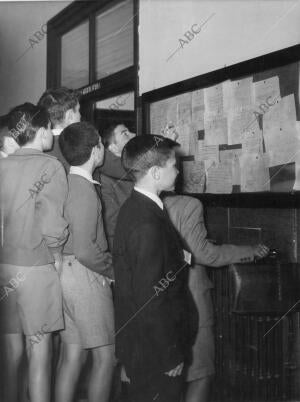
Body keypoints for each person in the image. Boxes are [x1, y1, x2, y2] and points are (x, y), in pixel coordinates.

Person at [113, 135, 196, 402]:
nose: (178, 170)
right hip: (154, 351)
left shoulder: (138, 209)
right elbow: (150, 297)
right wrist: (168, 353)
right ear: (156, 172)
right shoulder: (146, 222)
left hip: (145, 346)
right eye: (173, 165)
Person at [163, 194, 270, 402]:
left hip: (160, 300)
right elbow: (204, 254)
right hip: (191, 299)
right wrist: (251, 251)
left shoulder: (141, 200)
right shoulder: (189, 204)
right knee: (200, 374)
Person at [0, 103, 68, 402]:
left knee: (10, 355)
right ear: (41, 133)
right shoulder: (50, 165)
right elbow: (53, 226)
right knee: (39, 356)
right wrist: (57, 254)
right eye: (50, 129)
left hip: (4, 267)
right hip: (35, 269)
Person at [55, 121, 115, 402]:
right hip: (85, 275)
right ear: (95, 151)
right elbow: (85, 251)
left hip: (66, 273)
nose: (102, 148)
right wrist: (112, 270)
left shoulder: (68, 182)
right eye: (102, 143)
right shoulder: (84, 190)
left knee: (73, 355)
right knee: (107, 357)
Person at [93, 123, 135, 250]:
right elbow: (112, 226)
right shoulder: (105, 180)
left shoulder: (133, 172)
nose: (134, 135)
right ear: (113, 148)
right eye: (125, 134)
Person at [38, 87, 81, 171]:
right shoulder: (80, 146)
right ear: (70, 116)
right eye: (79, 110)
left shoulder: (37, 149)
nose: (80, 115)